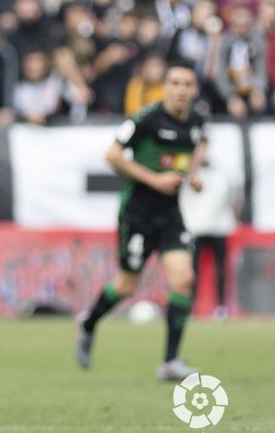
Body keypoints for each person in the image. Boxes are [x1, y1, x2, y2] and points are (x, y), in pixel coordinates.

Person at [74, 61, 206, 382]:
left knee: (184, 278)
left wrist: (194, 175)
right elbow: (113, 155)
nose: (181, 90)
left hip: (170, 215)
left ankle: (170, 362)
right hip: (137, 214)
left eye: (187, 84)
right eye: (175, 83)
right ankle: (89, 324)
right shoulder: (146, 118)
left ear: (195, 90)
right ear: (166, 86)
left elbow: (194, 148)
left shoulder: (198, 120)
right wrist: (155, 180)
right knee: (126, 285)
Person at [180, 161, 242, 321]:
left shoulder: (221, 174)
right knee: (192, 270)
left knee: (220, 269)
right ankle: (190, 306)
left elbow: (232, 199)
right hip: (196, 228)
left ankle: (221, 307)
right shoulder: (187, 174)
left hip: (219, 228)